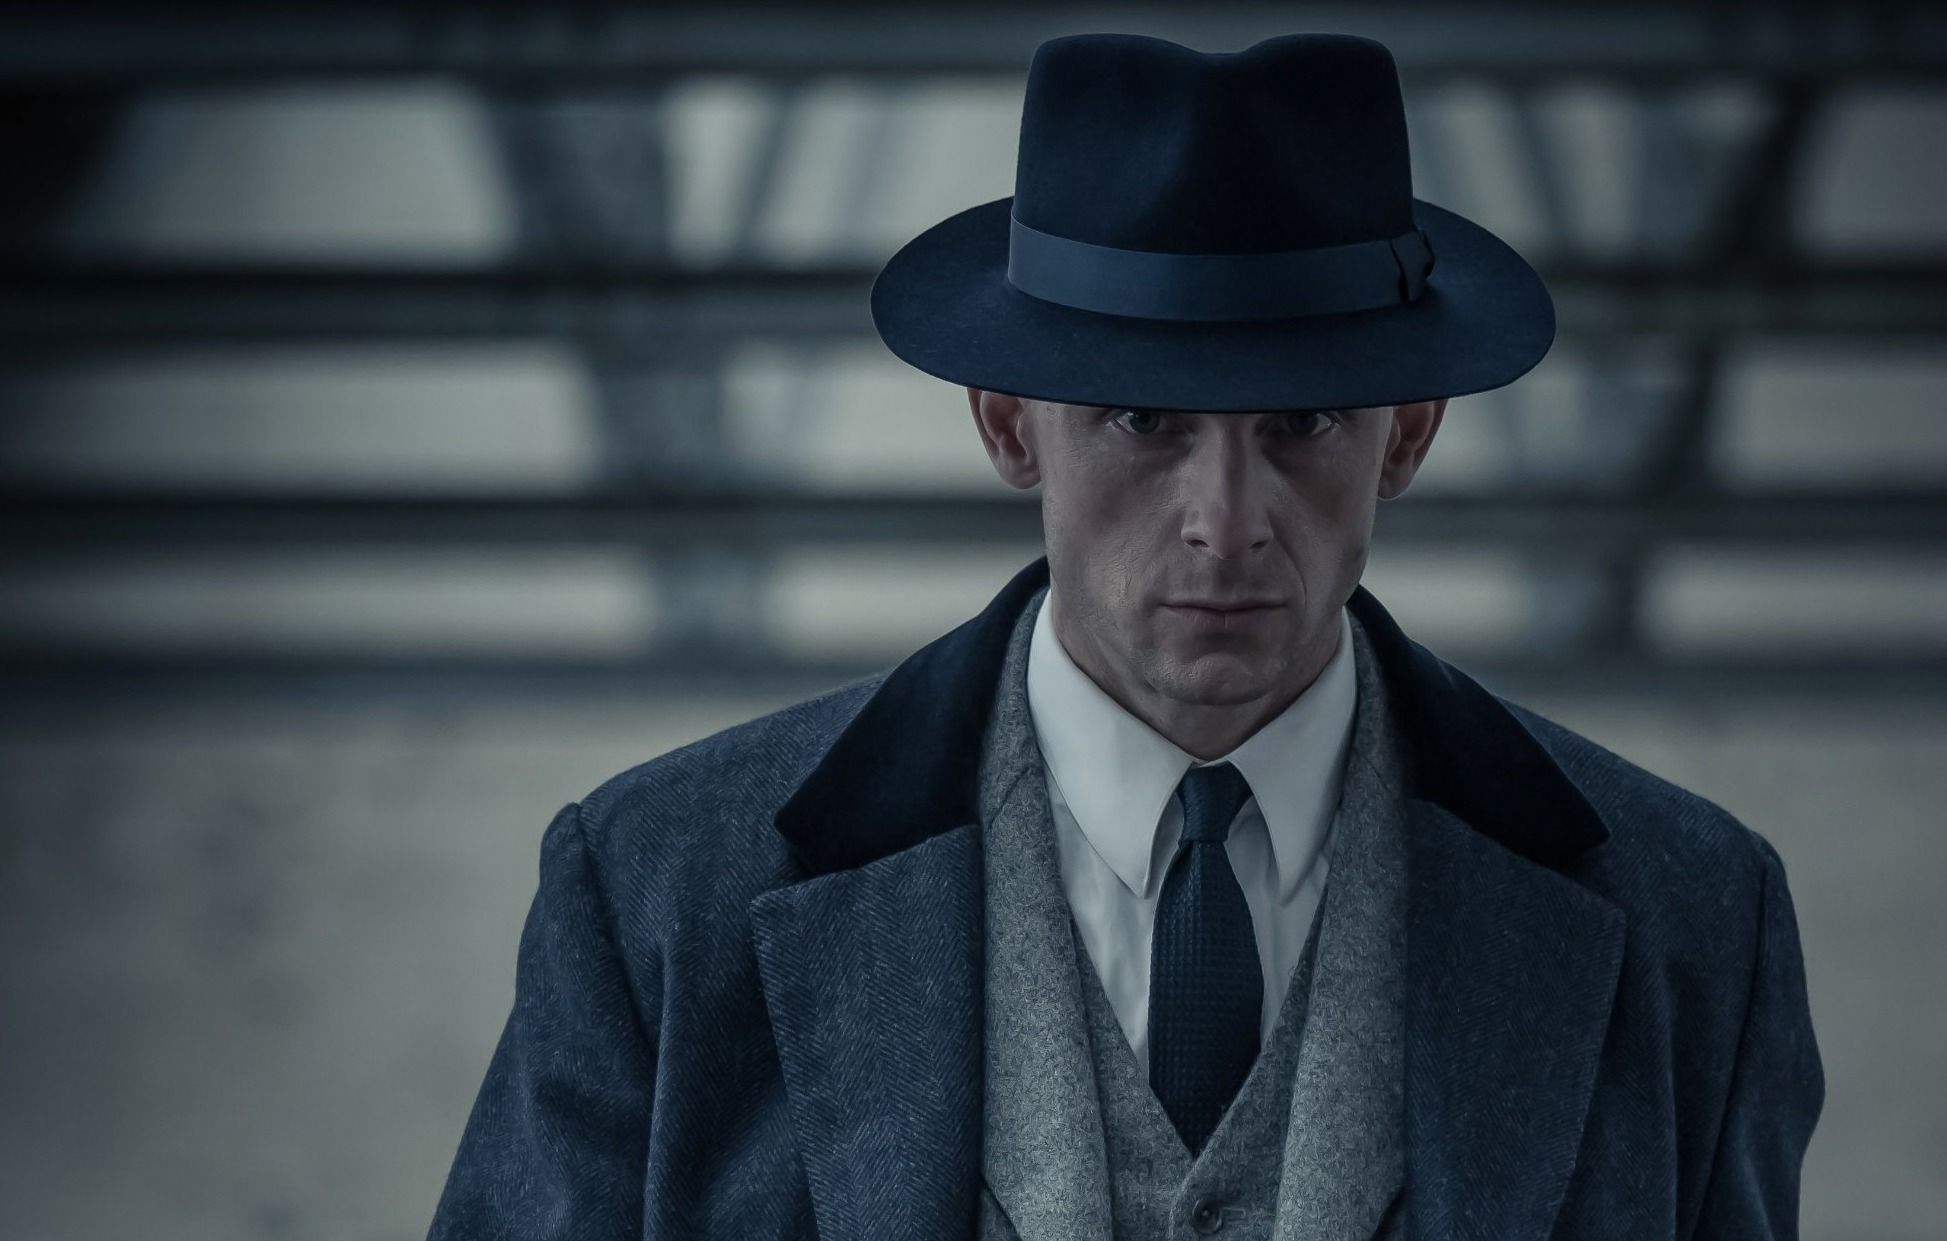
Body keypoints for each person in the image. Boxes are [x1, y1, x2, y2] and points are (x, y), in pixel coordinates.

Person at [427, 31, 1823, 1241]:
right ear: (1007, 424)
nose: (1226, 521)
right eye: (1142, 420)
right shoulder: (657, 899)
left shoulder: (1694, 924)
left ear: (1405, 435)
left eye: (1305, 423)